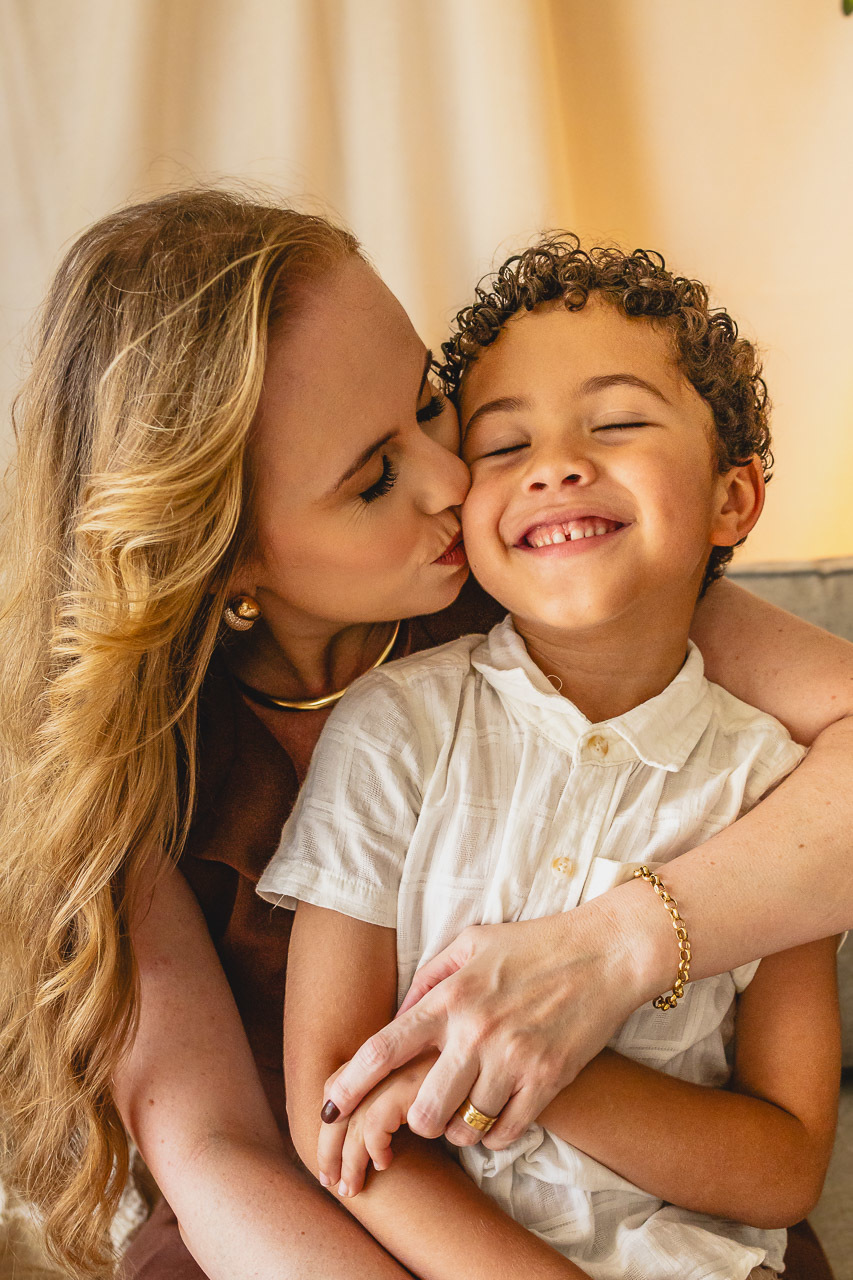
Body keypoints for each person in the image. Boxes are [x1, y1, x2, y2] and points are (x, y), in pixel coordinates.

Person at [0, 191, 849, 1280]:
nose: (458, 478)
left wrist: (621, 943)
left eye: (432, 404)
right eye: (374, 477)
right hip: (295, 1231)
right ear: (226, 564)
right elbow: (223, 1152)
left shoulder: (551, 583)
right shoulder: (133, 764)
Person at [263, 236, 841, 1280]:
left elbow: (784, 1166)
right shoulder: (393, 730)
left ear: (732, 498)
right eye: (500, 444)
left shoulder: (778, 789)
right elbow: (336, 1112)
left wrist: (544, 1064)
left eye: (616, 422)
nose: (556, 463)